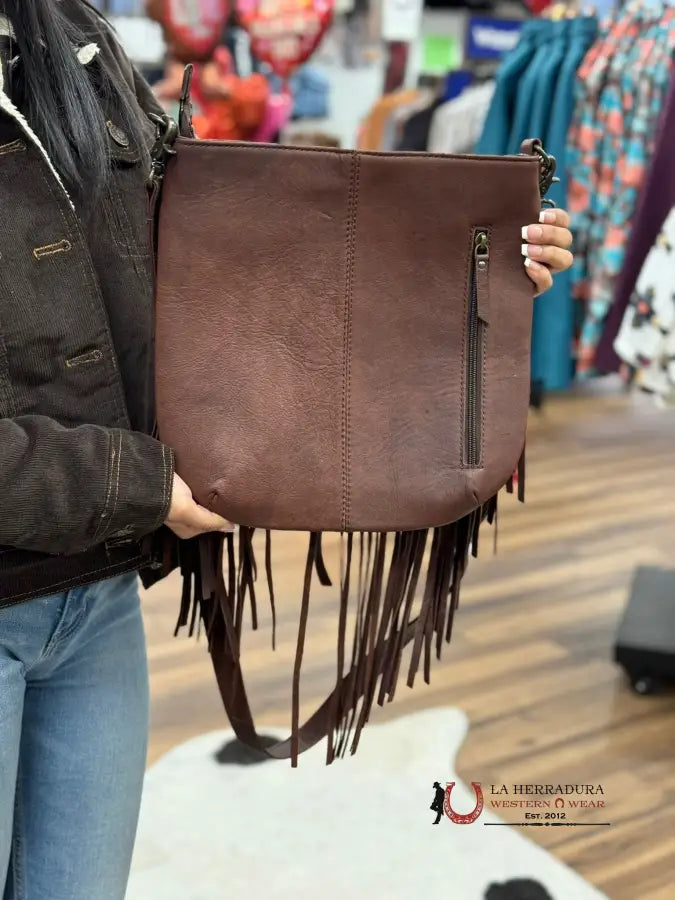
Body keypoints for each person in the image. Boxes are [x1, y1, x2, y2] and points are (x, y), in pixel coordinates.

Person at [0, 2, 574, 898]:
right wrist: (135, 480)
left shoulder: (65, 32)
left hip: (94, 595)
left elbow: (214, 241)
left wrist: (480, 255)